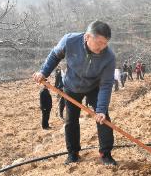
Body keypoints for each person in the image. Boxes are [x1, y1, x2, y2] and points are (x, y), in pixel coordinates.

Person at [33, 20, 117, 166]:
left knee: (104, 119)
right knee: (71, 120)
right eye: (99, 42)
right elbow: (54, 56)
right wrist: (43, 72)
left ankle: (106, 153)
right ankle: (73, 153)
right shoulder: (70, 40)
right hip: (71, 86)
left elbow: (106, 84)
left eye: (105, 43)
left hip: (94, 87)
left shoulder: (109, 57)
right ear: (87, 37)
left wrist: (101, 109)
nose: (102, 47)